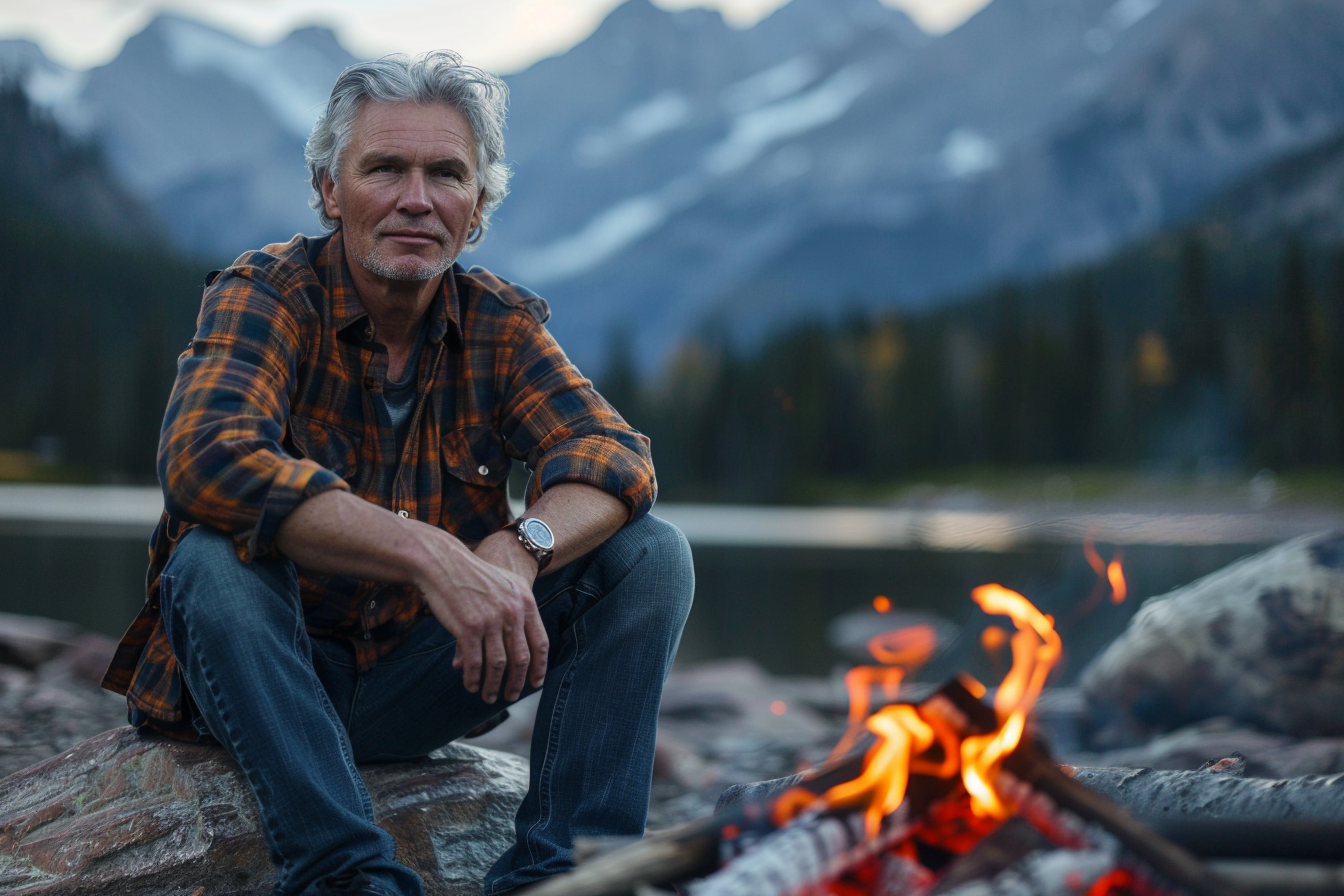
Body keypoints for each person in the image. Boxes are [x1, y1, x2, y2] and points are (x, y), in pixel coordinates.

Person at [101, 50, 694, 896]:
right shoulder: (266, 293)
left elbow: (613, 456)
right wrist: (429, 553)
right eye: (386, 168)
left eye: (447, 174)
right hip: (264, 677)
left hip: (420, 680)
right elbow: (207, 457)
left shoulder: (500, 322)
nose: (417, 198)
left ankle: (565, 878)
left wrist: (519, 547)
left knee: (650, 556)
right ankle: (350, 877)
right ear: (329, 190)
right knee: (211, 561)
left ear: (477, 208)